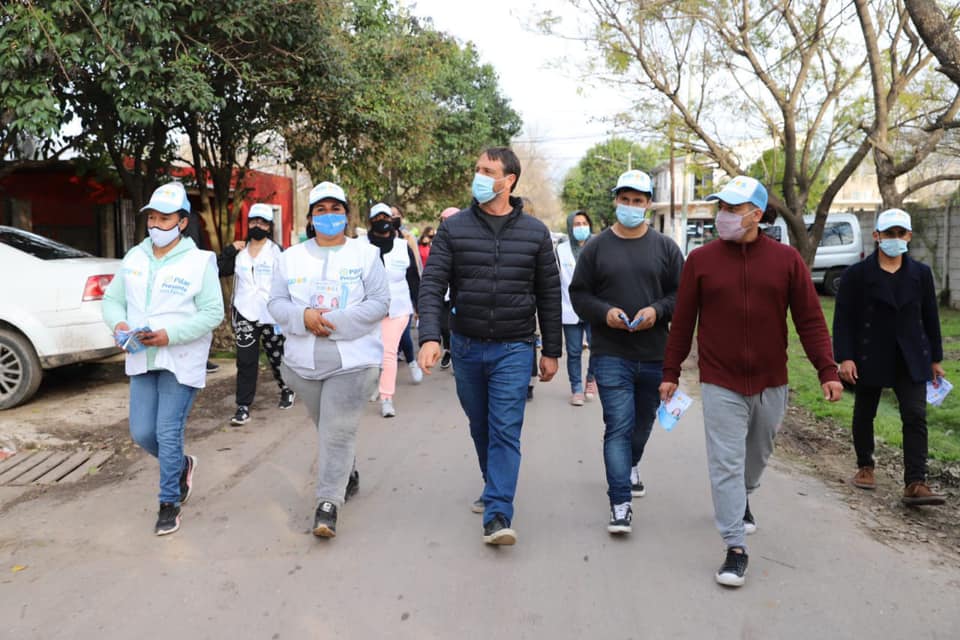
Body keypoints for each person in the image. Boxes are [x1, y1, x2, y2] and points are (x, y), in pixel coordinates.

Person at [659, 175, 843, 587]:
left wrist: (827, 370)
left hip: (771, 380)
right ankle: (735, 547)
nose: (723, 215)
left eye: (733, 208)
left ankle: (742, 497)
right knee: (725, 461)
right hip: (719, 380)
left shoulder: (787, 261)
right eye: (721, 207)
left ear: (756, 215)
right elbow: (682, 323)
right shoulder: (701, 261)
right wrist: (670, 372)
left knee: (758, 454)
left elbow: (810, 320)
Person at [417, 146, 562, 546]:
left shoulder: (535, 232)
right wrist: (430, 336)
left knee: (505, 428)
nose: (478, 176)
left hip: (514, 348)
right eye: (477, 168)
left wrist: (551, 350)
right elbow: (432, 284)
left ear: (509, 180)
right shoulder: (454, 229)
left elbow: (549, 294)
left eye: (487, 170)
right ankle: (492, 482)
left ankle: (498, 513)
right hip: (466, 346)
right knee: (480, 425)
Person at [102, 182, 224, 535]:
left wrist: (171, 335)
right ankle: (182, 465)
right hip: (141, 355)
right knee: (142, 433)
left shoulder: (200, 262)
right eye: (152, 217)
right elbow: (112, 300)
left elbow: (212, 312)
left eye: (164, 218)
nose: (156, 224)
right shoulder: (135, 257)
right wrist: (119, 324)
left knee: (167, 431)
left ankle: (169, 502)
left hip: (180, 357)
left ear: (182, 222)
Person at [268, 181, 389, 538]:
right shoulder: (289, 258)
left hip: (354, 361)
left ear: (347, 215)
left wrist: (333, 322)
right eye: (321, 210)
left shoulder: (366, 255)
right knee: (329, 429)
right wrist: (304, 316)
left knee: (336, 432)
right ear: (310, 218)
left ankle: (327, 504)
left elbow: (379, 303)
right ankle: (346, 471)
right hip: (303, 365)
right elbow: (276, 303)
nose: (329, 216)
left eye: (336, 209)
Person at [569, 171, 684, 535]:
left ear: (648, 204)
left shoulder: (666, 248)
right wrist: (604, 313)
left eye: (638, 201)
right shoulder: (596, 248)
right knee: (618, 425)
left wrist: (657, 310)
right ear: (616, 200)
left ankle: (631, 464)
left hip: (654, 354)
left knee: (643, 422)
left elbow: (681, 295)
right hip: (610, 353)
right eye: (625, 199)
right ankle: (620, 504)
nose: (631, 206)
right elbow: (579, 294)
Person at [833, 208, 945, 506]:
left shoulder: (921, 274)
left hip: (911, 355)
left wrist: (935, 358)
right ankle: (865, 466)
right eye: (889, 233)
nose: (895, 238)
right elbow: (843, 319)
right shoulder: (856, 275)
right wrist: (845, 357)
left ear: (908, 236)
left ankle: (916, 482)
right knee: (864, 411)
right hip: (870, 353)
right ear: (877, 236)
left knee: (915, 415)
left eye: (900, 233)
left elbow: (930, 317)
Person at [218, 203, 294, 426]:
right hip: (244, 312)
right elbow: (219, 269)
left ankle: (286, 388)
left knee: (277, 356)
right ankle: (242, 406)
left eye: (262, 222)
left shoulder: (277, 252)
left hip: (271, 313)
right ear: (248, 223)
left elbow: (288, 282)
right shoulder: (239, 252)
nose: (257, 226)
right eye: (253, 221)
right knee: (246, 361)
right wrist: (230, 250)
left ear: (269, 226)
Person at [367, 202, 423, 418]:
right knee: (372, 352)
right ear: (371, 222)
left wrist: (419, 306)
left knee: (389, 351)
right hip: (369, 309)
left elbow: (413, 279)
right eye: (378, 218)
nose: (383, 221)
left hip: (398, 308)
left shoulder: (402, 246)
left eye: (386, 217)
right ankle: (376, 383)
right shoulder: (361, 247)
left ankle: (386, 398)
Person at [557, 210, 597, 407]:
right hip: (569, 307)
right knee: (573, 352)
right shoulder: (560, 250)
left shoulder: (598, 245)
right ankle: (576, 389)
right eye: (576, 224)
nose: (581, 227)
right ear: (570, 227)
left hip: (595, 308)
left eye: (584, 223)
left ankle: (591, 380)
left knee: (597, 348)